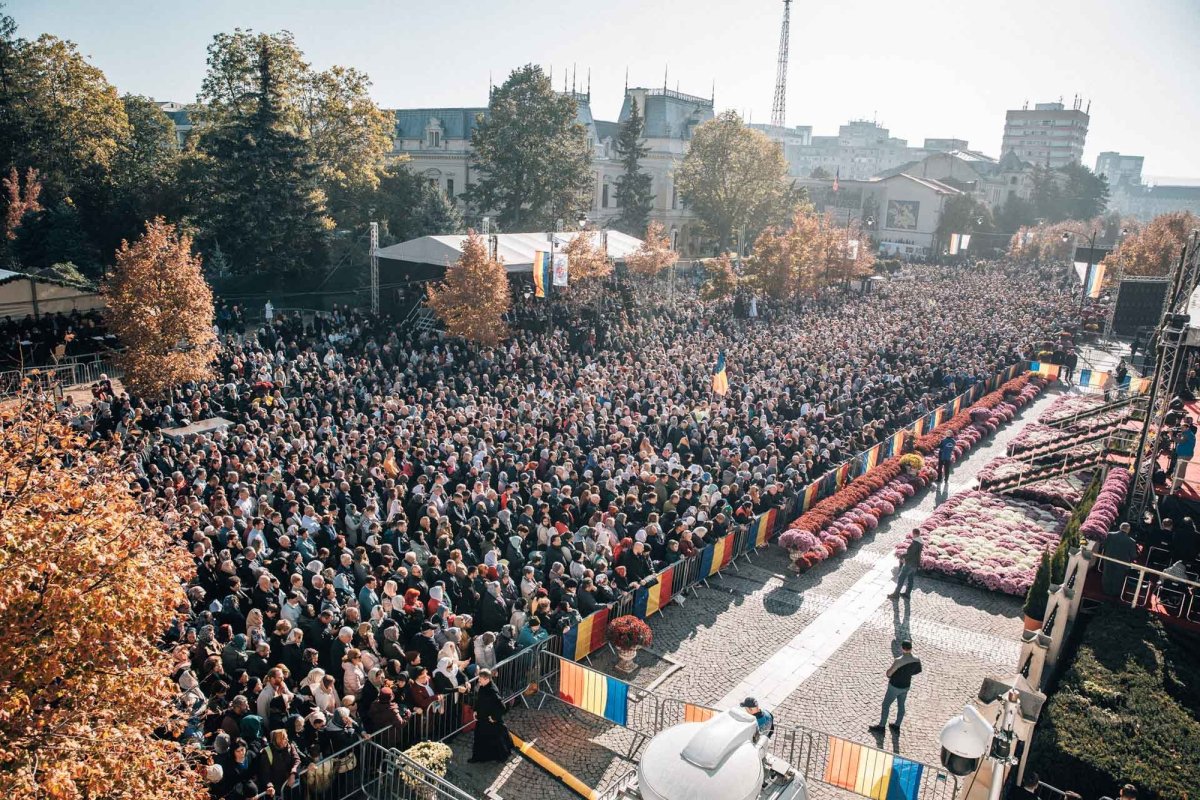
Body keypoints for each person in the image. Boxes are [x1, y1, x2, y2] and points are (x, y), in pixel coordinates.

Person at [868, 640, 922, 733]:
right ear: (911, 648)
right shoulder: (916, 660)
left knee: (885, 705)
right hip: (906, 686)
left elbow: (889, 673)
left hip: (894, 687)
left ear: (902, 648)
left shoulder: (898, 661)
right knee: (901, 705)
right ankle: (897, 725)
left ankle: (881, 726)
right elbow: (918, 670)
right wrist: (907, 674)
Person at [468, 669, 513, 763]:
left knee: (496, 740)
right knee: (480, 739)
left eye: (480, 679)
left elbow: (502, 707)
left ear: (486, 679)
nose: (478, 681)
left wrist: (494, 718)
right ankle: (477, 757)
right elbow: (479, 700)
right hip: (482, 719)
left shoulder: (492, 691)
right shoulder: (483, 686)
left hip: (490, 721)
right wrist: (475, 710)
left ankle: (501, 756)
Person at [1100, 523, 1137, 597]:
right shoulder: (1131, 541)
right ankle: (1114, 594)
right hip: (1122, 564)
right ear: (1128, 530)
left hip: (1108, 559)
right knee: (1118, 578)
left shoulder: (1109, 535)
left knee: (1107, 574)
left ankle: (1105, 591)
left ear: (1120, 527)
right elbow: (1133, 555)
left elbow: (1103, 546)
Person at [888, 531, 923, 600]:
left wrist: (903, 557)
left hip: (909, 564)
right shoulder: (920, 542)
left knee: (901, 578)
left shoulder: (915, 543)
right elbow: (917, 554)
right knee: (910, 579)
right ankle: (907, 594)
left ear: (915, 534)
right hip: (915, 564)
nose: (912, 535)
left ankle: (896, 594)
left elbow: (910, 554)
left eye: (913, 534)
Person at [1172, 422, 1196, 493]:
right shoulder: (1188, 434)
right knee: (1180, 470)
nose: (1181, 429)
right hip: (1185, 454)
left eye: (1183, 428)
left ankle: (1176, 487)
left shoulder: (1187, 434)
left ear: (1187, 428)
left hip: (1184, 455)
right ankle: (1177, 485)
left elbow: (1181, 441)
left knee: (1179, 471)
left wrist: (1172, 437)